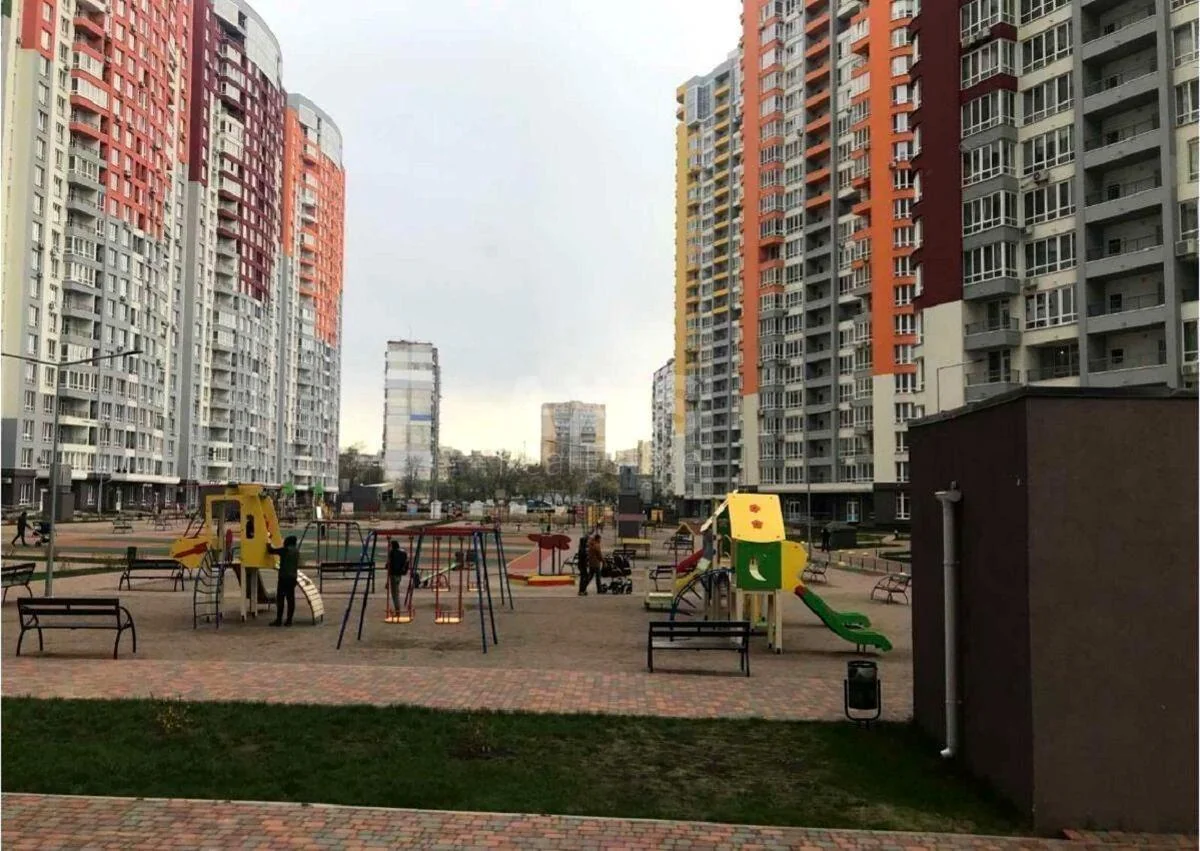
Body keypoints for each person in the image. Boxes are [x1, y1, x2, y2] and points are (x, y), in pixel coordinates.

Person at [266, 535, 300, 626]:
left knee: (280, 599)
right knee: (290, 599)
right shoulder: (296, 551)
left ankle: (279, 620)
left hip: (284, 577)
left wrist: (268, 541)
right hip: (293, 578)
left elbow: (271, 550)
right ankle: (289, 620)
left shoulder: (285, 550)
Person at [386, 540, 409, 613]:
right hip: (400, 574)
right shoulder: (403, 553)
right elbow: (406, 562)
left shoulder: (392, 552)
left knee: (394, 593)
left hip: (393, 574)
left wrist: (387, 581)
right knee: (396, 591)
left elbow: (389, 564)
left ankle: (397, 608)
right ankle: (397, 607)